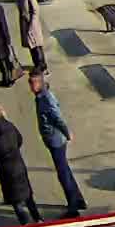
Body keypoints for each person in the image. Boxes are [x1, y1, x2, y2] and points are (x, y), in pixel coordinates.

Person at [30, 72, 83, 217]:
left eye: (33, 82)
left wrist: (67, 132)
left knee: (63, 173)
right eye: (29, 82)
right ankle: (78, 200)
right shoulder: (40, 97)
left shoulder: (46, 98)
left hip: (56, 140)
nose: (30, 86)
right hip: (52, 138)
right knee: (65, 169)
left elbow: (57, 117)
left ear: (40, 83)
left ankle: (73, 207)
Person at [0, 103, 39, 225]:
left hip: (5, 168)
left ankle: (25, 222)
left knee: (15, 199)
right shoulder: (10, 126)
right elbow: (19, 139)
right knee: (28, 195)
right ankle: (37, 218)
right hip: (18, 163)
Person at [13, 0, 44, 75]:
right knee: (31, 45)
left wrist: (32, 24)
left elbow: (35, 9)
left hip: (31, 23)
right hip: (25, 22)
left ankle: (41, 65)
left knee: (35, 45)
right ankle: (37, 64)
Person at [0, 0, 13, 87]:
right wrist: (8, 38)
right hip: (1, 38)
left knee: (1, 59)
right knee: (5, 58)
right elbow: (3, 24)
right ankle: (8, 79)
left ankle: (6, 78)